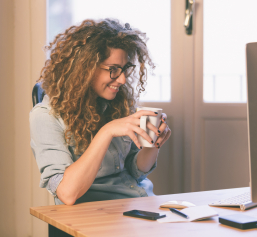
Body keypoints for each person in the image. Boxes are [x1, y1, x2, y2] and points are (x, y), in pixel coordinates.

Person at [29, 19, 171, 205]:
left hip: (140, 203)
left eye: (124, 69)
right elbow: (66, 193)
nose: (121, 80)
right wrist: (107, 131)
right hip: (97, 213)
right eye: (113, 70)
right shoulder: (45, 116)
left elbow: (134, 171)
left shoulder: (118, 103)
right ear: (84, 69)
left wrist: (152, 145)